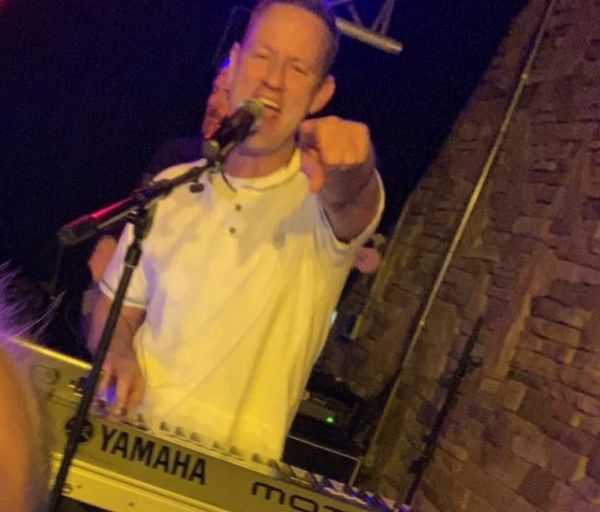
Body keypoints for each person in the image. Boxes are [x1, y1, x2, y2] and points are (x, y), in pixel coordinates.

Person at [90, 0, 384, 460]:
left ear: (320, 94)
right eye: (263, 56)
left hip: (226, 478)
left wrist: (356, 165)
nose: (273, 80)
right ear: (236, 61)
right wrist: (118, 352)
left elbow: (354, 199)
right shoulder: (172, 188)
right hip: (124, 451)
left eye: (298, 69)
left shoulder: (318, 201)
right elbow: (116, 311)